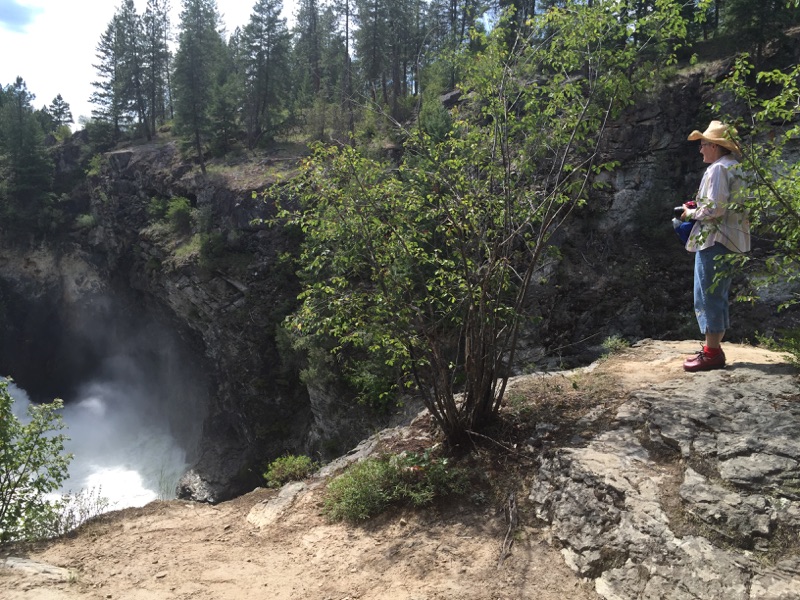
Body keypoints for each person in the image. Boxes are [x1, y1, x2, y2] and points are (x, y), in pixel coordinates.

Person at [681, 120, 750, 372]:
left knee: (706, 295)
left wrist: (689, 213)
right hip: (731, 240)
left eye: (703, 144)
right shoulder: (736, 167)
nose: (700, 149)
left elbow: (714, 209)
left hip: (714, 240)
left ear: (715, 146)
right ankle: (713, 350)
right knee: (717, 294)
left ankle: (711, 355)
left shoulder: (718, 169)